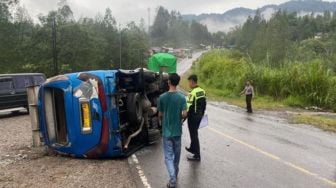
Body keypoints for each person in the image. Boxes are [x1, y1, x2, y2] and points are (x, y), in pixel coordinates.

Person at [158, 73, 187, 188]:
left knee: (168, 157)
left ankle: (173, 179)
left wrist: (161, 121)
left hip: (166, 132)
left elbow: (160, 114)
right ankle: (174, 175)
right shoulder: (181, 97)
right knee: (176, 155)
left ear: (169, 82)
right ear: (178, 82)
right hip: (177, 132)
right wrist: (182, 119)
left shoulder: (162, 97)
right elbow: (185, 114)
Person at [185, 74, 206, 161]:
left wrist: (183, 117)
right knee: (194, 133)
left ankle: (197, 155)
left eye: (189, 82)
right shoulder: (202, 91)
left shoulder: (192, 93)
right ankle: (192, 148)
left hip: (193, 116)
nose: (189, 84)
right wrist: (202, 114)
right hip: (200, 115)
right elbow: (204, 104)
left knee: (194, 135)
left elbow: (187, 107)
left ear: (192, 81)